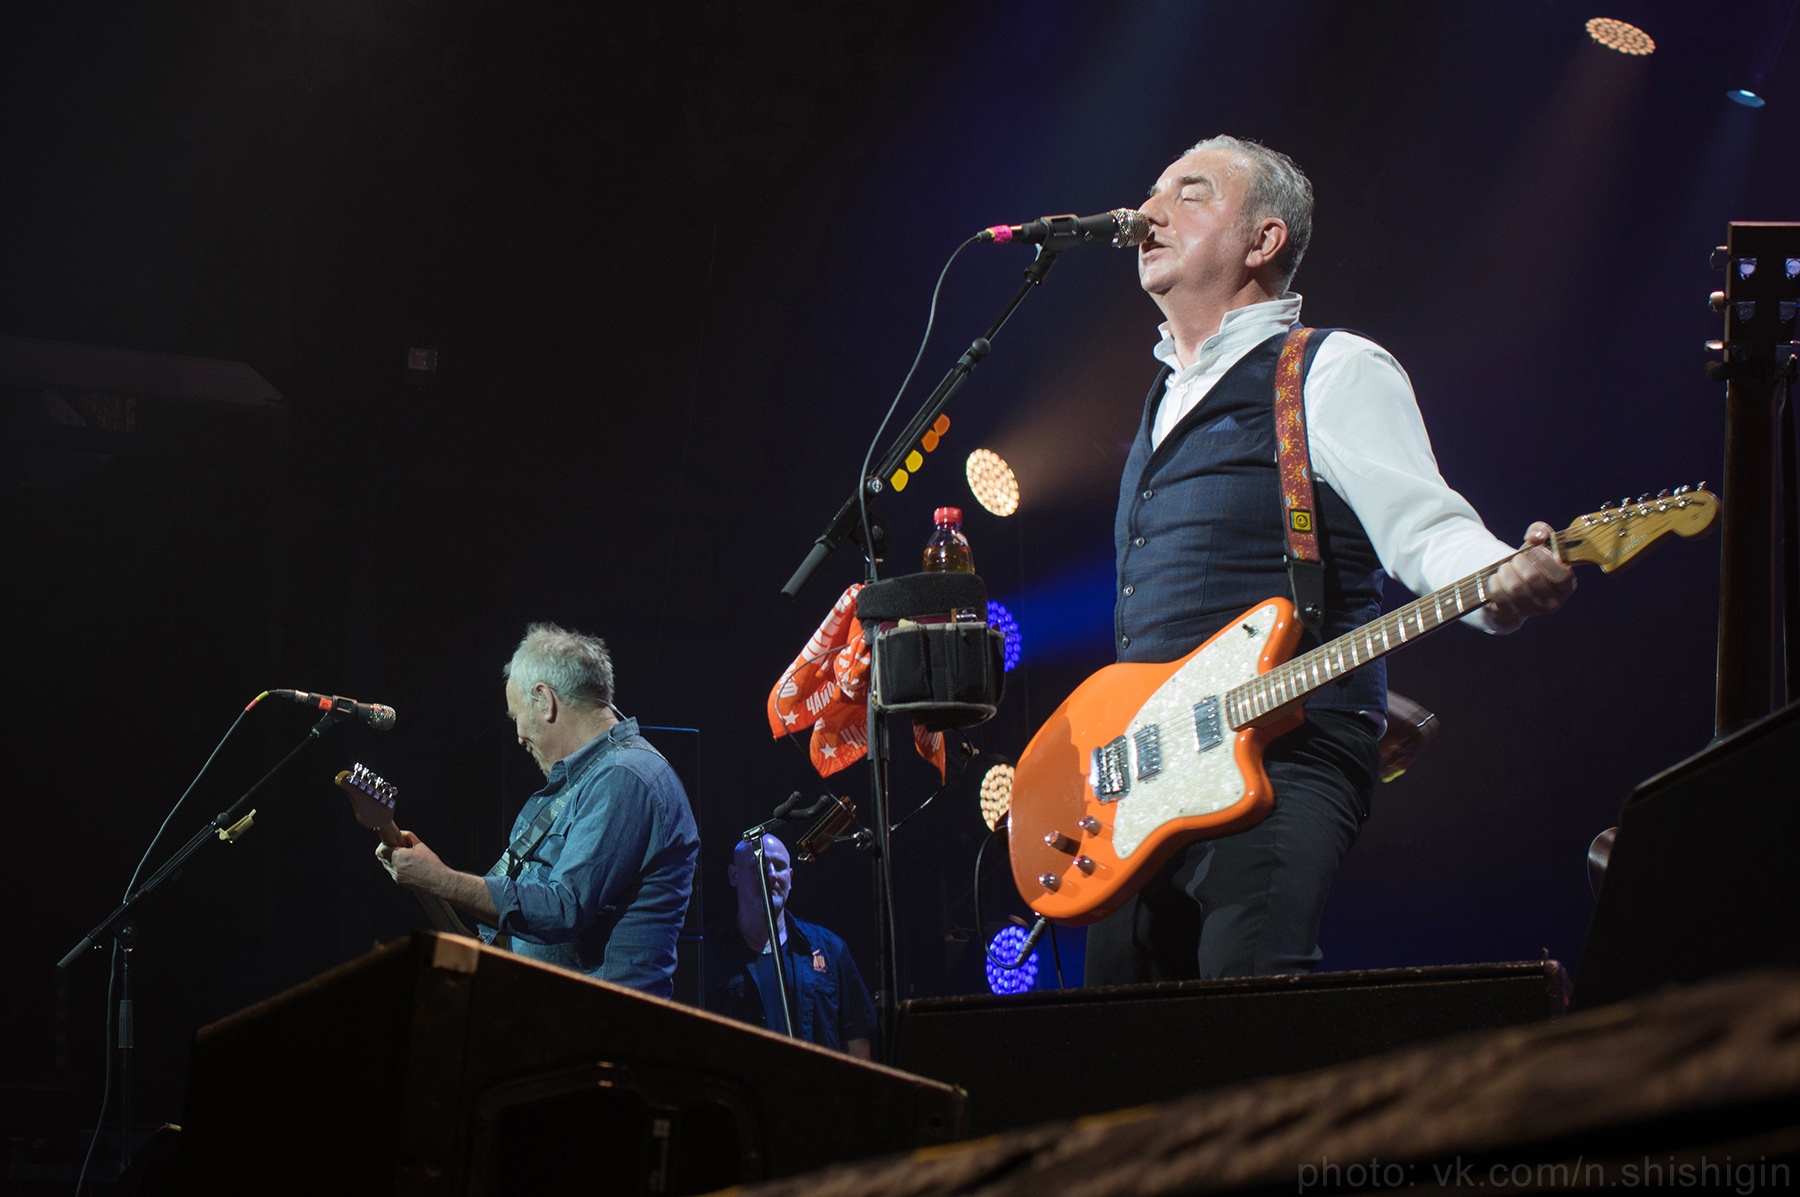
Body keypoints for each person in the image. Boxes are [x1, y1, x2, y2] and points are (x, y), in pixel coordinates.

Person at [1088, 135, 1576, 984]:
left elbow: (1427, 528)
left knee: (1253, 1008)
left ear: (1263, 239)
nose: (1148, 213)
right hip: (1150, 775)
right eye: (1153, 191)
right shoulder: (1164, 393)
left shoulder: (1332, 368)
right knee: (1113, 1033)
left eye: (1189, 194)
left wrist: (1500, 574)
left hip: (1285, 747)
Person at [377, 622, 699, 998]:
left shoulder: (625, 777)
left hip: (601, 1020)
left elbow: (562, 909)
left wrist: (441, 879)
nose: (518, 737)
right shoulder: (592, 779)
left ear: (545, 701)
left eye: (516, 716)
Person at [703, 834, 875, 1058]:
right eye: (758, 866)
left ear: (791, 878)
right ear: (734, 875)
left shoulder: (830, 949)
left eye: (780, 866)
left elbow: (858, 1041)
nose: (771, 874)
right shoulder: (706, 951)